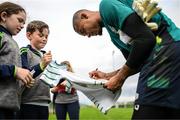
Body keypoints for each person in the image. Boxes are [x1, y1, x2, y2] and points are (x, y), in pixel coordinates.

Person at [72, 0, 180, 119]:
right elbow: (136, 63)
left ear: (84, 16)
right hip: (165, 57)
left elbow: (145, 39)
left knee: (146, 110)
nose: (87, 35)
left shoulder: (106, 6)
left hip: (166, 48)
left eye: (83, 30)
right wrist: (109, 75)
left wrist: (119, 78)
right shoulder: (114, 37)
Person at [0, 2, 34, 119]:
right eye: (20, 20)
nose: (22, 25)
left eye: (24, 23)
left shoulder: (11, 41)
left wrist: (22, 80)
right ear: (4, 16)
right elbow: (13, 70)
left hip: (10, 106)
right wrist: (14, 71)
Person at [18, 20, 52, 119]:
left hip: (45, 102)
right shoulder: (24, 52)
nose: (44, 39)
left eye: (46, 36)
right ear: (29, 35)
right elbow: (26, 75)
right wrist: (42, 65)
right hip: (28, 102)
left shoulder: (45, 55)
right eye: (40, 35)